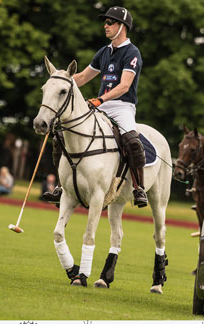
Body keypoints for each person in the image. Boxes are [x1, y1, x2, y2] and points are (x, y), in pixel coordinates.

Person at [45, 6, 148, 207]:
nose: (105, 26)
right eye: (106, 22)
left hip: (122, 106)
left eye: (110, 22)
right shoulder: (103, 52)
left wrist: (101, 100)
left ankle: (139, 188)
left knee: (132, 141)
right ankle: (61, 186)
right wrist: (60, 81)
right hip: (101, 106)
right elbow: (82, 77)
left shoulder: (132, 52)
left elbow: (124, 86)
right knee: (63, 135)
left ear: (122, 26)